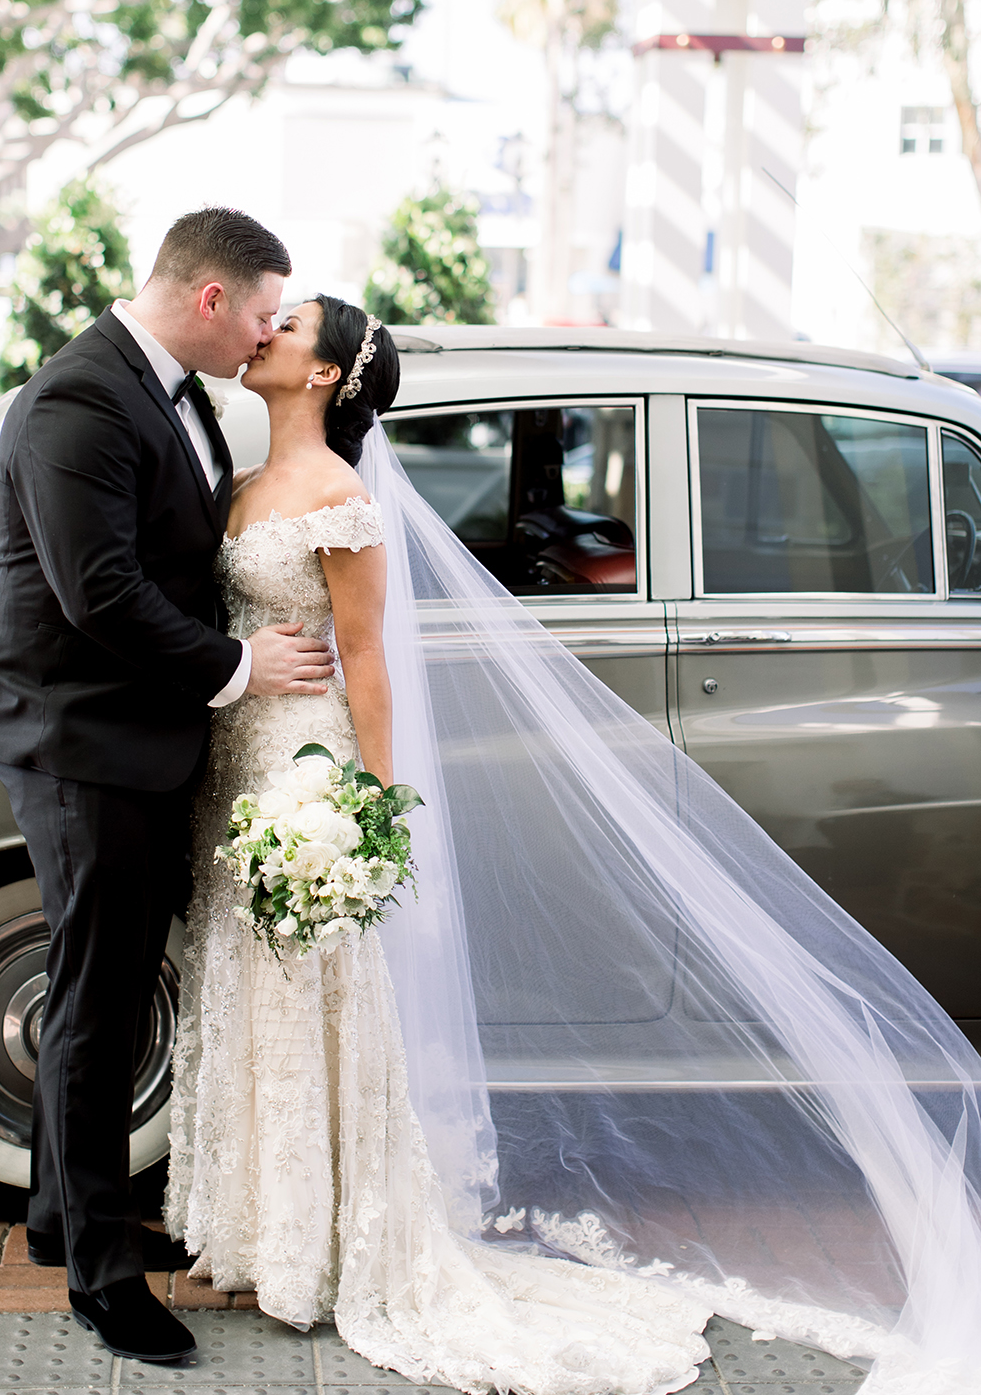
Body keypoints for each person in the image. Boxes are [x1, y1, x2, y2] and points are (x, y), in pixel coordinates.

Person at [168, 295, 981, 1395]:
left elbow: (367, 658)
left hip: (306, 761)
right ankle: (255, 1222)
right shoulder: (240, 485)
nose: (266, 329)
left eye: (292, 323)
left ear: (322, 375)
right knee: (247, 976)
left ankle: (318, 1239)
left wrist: (371, 806)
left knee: (317, 989)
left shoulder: (342, 498)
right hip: (243, 755)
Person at [0, 208, 336, 1365]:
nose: (268, 335)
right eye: (264, 314)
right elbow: (100, 594)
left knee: (113, 989)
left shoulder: (174, 392)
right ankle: (102, 1278)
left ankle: (56, 1218)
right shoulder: (81, 399)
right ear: (212, 298)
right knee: (96, 1006)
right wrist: (239, 667)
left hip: (141, 738)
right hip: (81, 741)